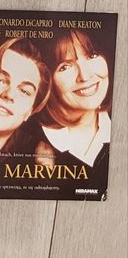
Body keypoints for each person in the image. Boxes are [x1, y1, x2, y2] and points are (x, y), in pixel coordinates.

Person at [35, 30, 111, 175]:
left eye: (92, 56)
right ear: (47, 80)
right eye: (65, 67)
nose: (84, 76)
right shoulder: (28, 144)